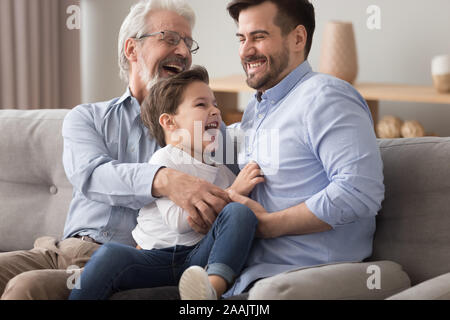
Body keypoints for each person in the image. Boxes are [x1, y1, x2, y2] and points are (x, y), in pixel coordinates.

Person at [0, 0, 232, 300]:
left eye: (188, 43)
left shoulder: (202, 129)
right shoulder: (87, 118)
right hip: (56, 250)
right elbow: (92, 175)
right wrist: (163, 180)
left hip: (119, 262)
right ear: (132, 49)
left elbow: (236, 186)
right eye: (171, 39)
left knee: (27, 287)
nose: (184, 52)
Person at [218, 0, 385, 297]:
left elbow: (359, 191)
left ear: (297, 38)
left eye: (258, 36)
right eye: (241, 39)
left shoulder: (326, 97)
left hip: (295, 279)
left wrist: (268, 225)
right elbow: (213, 145)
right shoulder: (258, 110)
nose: (245, 50)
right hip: (240, 277)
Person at [69, 66, 264, 300]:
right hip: (157, 259)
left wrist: (237, 195)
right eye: (201, 105)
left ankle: (211, 289)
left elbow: (234, 217)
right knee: (110, 254)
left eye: (216, 104)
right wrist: (233, 192)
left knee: (239, 213)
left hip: (197, 260)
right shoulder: (165, 160)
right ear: (169, 123)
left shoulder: (219, 166)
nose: (214, 111)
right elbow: (180, 222)